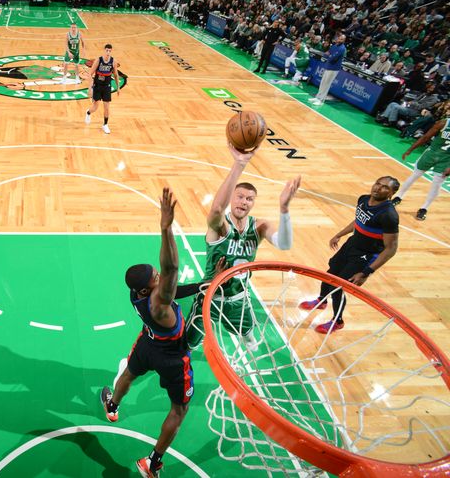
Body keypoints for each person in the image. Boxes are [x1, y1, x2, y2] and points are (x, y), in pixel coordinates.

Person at [99, 188, 217, 478]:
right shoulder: (159, 302)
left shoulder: (138, 297)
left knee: (128, 374)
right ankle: (152, 462)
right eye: (155, 277)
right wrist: (166, 228)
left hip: (148, 344)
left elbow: (173, 287)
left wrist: (205, 284)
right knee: (179, 410)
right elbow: (173, 268)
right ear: (146, 289)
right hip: (174, 358)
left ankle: (112, 405)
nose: (159, 276)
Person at [185, 142, 300, 351]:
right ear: (231, 198)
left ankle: (249, 345)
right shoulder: (221, 227)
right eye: (239, 196)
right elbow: (217, 208)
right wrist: (239, 164)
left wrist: (284, 209)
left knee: (249, 337)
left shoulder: (259, 227)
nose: (244, 202)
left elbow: (284, 244)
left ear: (253, 203)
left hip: (238, 297)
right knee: (189, 344)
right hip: (210, 295)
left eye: (249, 199)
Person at [299, 177, 400, 333]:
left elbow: (390, 249)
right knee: (329, 274)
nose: (379, 188)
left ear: (392, 193)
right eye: (378, 184)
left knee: (337, 286)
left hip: (365, 256)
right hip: (351, 245)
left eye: (385, 187)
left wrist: (367, 272)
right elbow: (358, 221)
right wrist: (339, 234)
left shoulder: (388, 215)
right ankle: (322, 300)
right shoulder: (363, 199)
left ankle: (337, 321)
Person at [393, 118, 450, 221]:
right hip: (432, 153)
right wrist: (410, 149)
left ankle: (424, 208)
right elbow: (426, 137)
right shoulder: (443, 123)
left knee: (437, 184)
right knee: (415, 175)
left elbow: (426, 137)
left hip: (447, 159)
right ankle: (398, 196)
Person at [85, 43, 120, 134]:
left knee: (107, 107)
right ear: (104, 50)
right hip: (98, 85)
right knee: (96, 106)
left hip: (107, 86)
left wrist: (118, 87)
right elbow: (90, 73)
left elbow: (116, 75)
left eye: (110, 51)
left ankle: (105, 125)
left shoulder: (113, 61)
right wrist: (90, 87)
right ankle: (88, 112)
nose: (108, 52)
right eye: (107, 50)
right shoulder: (98, 60)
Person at [309, 34, 346, 106]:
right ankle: (317, 97)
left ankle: (321, 100)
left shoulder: (342, 48)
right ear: (337, 38)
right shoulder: (334, 46)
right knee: (323, 82)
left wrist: (329, 55)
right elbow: (326, 54)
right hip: (328, 67)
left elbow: (332, 58)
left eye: (342, 39)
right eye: (339, 38)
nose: (340, 40)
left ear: (344, 40)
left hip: (334, 69)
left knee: (327, 84)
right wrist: (329, 55)